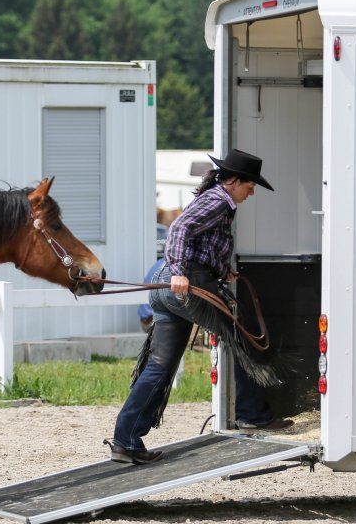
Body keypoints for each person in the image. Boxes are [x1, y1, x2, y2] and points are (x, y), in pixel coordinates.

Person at [107, 149, 290, 464]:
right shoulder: (218, 201)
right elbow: (179, 230)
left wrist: (222, 268)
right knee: (240, 338)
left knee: (160, 366)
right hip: (187, 285)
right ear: (233, 181)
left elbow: (201, 241)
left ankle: (126, 439)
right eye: (250, 184)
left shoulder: (216, 201)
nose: (252, 191)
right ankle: (252, 415)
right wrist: (179, 271)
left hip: (170, 289)